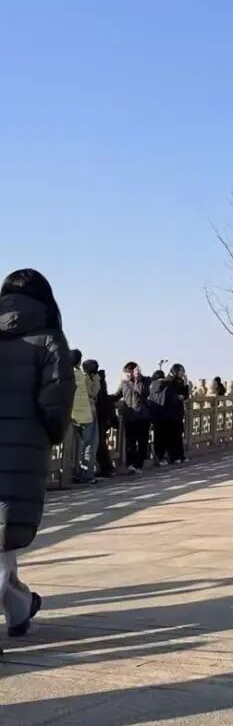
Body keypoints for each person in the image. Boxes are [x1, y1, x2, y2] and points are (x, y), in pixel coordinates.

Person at [0, 269, 75, 640]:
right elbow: (56, 404)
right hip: (22, 454)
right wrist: (47, 434)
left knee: (2, 540)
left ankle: (18, 609)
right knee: (4, 532)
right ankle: (18, 610)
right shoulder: (50, 340)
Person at [150, 364, 189, 464]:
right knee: (167, 436)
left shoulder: (180, 382)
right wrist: (177, 397)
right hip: (166, 414)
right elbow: (168, 394)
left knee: (178, 435)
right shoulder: (166, 382)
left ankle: (179, 456)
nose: (182, 373)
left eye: (183, 371)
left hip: (177, 413)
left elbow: (185, 396)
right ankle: (169, 457)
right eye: (180, 371)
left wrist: (186, 385)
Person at [69, 348, 97, 483]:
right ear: (79, 361)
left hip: (73, 415)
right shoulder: (81, 374)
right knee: (89, 444)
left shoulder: (66, 374)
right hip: (87, 413)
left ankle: (72, 472)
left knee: (76, 445)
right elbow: (93, 392)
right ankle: (87, 474)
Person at [118, 362, 152, 472]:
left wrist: (137, 380)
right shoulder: (124, 383)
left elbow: (144, 393)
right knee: (130, 442)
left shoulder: (145, 381)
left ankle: (139, 465)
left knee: (142, 442)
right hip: (130, 416)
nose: (127, 374)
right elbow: (117, 395)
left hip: (143, 416)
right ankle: (130, 464)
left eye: (129, 372)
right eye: (126, 372)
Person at [91, 364, 117, 477]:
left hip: (98, 415)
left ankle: (106, 468)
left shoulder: (96, 380)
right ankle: (107, 468)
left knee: (99, 444)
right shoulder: (101, 380)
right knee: (101, 443)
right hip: (103, 416)